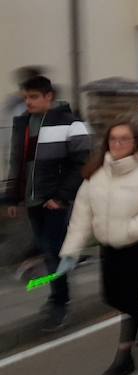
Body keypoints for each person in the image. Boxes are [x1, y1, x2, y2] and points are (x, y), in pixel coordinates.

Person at [59, 119, 138, 375]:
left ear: (136, 143)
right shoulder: (96, 174)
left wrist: (131, 228)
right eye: (114, 139)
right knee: (110, 297)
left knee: (127, 296)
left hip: (137, 245)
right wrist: (71, 252)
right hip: (108, 247)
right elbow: (81, 216)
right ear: (107, 142)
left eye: (125, 139)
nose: (118, 143)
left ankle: (125, 358)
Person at [3, 76, 91, 331]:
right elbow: (17, 164)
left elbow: (82, 163)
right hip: (32, 201)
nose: (27, 102)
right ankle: (56, 295)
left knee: (54, 252)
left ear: (48, 96)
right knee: (47, 251)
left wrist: (61, 197)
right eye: (25, 98)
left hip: (54, 202)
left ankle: (61, 303)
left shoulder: (71, 123)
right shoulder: (22, 124)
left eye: (33, 97)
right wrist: (13, 197)